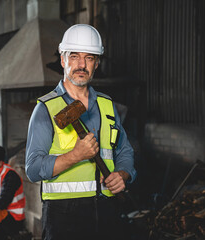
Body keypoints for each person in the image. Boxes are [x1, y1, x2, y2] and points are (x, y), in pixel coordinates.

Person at [25, 24, 136, 240]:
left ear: (97, 63)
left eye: (90, 58)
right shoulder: (45, 109)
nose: (82, 65)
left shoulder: (107, 105)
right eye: (74, 56)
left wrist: (123, 174)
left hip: (107, 211)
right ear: (63, 59)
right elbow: (33, 169)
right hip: (63, 217)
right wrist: (75, 156)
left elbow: (125, 151)